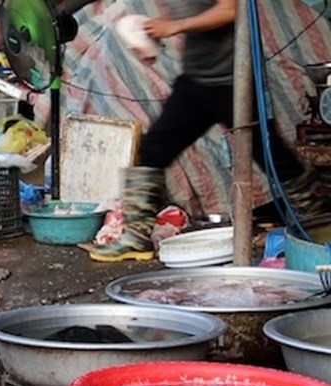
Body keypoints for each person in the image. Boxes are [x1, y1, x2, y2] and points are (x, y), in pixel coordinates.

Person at [87, 0, 329, 262]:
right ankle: (136, 236)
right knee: (152, 151)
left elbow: (228, 10)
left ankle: (320, 223)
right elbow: (184, 10)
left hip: (233, 81)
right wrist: (151, 39)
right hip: (197, 82)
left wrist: (173, 27)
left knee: (275, 157)